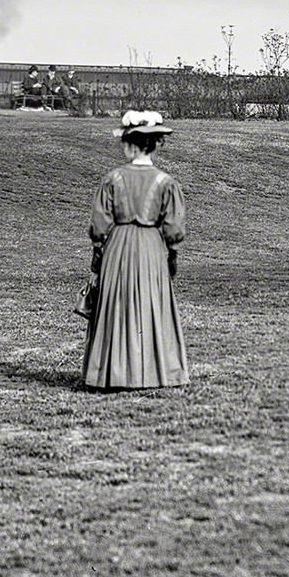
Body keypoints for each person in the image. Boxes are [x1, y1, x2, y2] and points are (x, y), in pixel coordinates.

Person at [82, 109, 188, 391]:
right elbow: (174, 227)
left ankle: (112, 372)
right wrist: (172, 253)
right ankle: (152, 372)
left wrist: (97, 256)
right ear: (152, 145)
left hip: (118, 247)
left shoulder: (113, 179)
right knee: (150, 303)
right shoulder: (165, 182)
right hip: (151, 248)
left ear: (131, 144)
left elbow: (99, 223)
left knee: (117, 302)